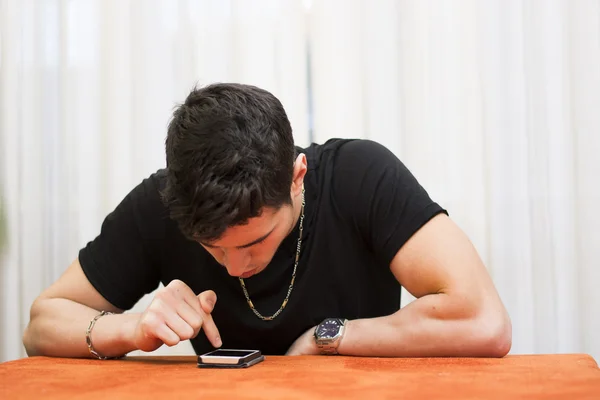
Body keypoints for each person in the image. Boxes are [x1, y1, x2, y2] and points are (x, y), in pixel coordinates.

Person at [23, 83, 511, 359]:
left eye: (254, 241)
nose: (235, 267)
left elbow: (484, 321)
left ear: (297, 177)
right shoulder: (163, 201)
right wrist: (132, 330)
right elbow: (42, 323)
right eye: (213, 248)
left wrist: (330, 338)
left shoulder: (359, 176)